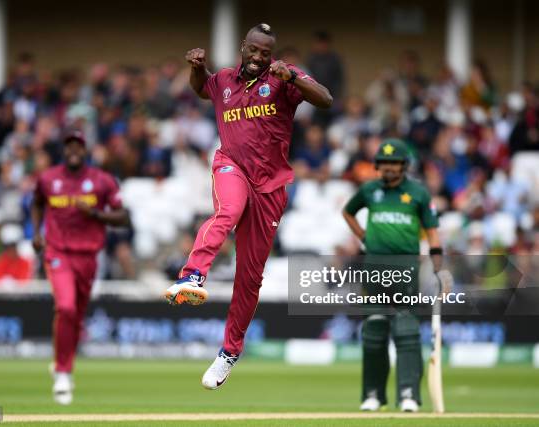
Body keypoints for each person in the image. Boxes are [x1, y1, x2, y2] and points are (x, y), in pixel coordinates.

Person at [164, 23, 332, 389]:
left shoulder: (283, 77)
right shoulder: (223, 79)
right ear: (243, 47)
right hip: (231, 165)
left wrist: (293, 78)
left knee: (250, 276)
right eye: (253, 50)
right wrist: (196, 68)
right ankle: (192, 274)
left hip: (271, 186)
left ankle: (229, 351)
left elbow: (325, 99)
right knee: (228, 210)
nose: (258, 58)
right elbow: (202, 89)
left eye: (265, 53)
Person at [342, 139, 453, 412]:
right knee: (374, 331)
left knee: (406, 329)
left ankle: (408, 395)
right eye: (385, 163)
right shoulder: (369, 190)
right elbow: (347, 212)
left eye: (394, 163)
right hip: (374, 267)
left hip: (406, 269)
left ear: (404, 165)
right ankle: (372, 394)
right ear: (378, 166)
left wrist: (441, 269)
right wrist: (363, 236)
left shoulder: (418, 193)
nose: (389, 167)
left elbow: (433, 234)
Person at [31, 130, 129, 405]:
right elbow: (37, 202)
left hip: (88, 257)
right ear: (64, 150)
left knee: (76, 315)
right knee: (66, 307)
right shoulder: (49, 178)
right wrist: (37, 233)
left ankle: (63, 363)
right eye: (69, 146)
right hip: (58, 252)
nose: (73, 150)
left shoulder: (101, 181)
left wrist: (96, 214)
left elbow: (122, 217)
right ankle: (63, 372)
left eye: (78, 146)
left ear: (85, 150)